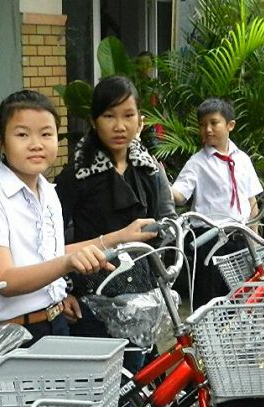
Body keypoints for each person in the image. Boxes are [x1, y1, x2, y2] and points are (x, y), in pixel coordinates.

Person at [0, 89, 153, 342]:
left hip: (55, 322)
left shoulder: (48, 191)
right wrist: (68, 264)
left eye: (46, 134)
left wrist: (119, 237)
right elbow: (5, 280)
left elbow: (54, 254)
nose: (36, 144)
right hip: (9, 335)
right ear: (1, 142)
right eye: (22, 134)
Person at [55, 75, 171, 371]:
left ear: (139, 120)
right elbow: (52, 241)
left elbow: (165, 224)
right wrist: (63, 290)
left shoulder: (149, 171)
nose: (119, 126)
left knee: (138, 385)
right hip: (92, 297)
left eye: (128, 115)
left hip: (141, 296)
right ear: (94, 121)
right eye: (109, 116)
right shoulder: (75, 176)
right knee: (100, 389)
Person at [170, 97, 263, 305]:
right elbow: (179, 194)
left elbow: (251, 201)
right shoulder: (197, 163)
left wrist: (254, 241)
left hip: (240, 239)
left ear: (230, 125)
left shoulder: (242, 160)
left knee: (241, 298)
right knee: (210, 301)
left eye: (214, 123)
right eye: (202, 125)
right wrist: (162, 185)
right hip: (209, 241)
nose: (208, 129)